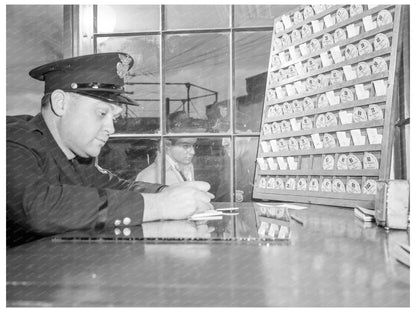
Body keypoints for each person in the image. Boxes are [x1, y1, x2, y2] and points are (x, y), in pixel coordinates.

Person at [6, 52, 214, 247]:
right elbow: (40, 208)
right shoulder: (13, 141)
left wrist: (168, 192)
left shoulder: (76, 157)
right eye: (101, 113)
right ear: (60, 103)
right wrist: (159, 205)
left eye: (113, 118)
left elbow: (119, 187)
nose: (111, 128)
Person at [136, 112, 201, 184]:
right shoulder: (149, 176)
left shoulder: (187, 167)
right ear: (167, 146)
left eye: (194, 145)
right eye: (185, 146)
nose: (193, 152)